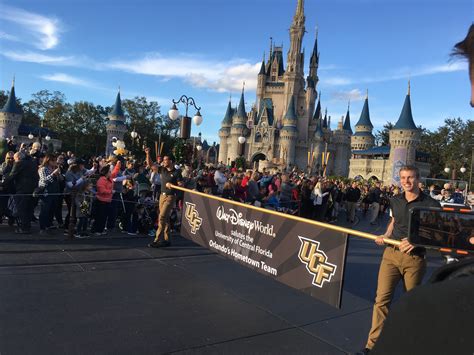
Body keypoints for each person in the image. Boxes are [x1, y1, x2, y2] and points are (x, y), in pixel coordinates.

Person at [360, 166, 440, 354]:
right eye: (403, 178)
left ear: (418, 179)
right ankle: (372, 346)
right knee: (381, 301)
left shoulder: (431, 205)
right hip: (391, 254)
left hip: (415, 259)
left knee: (411, 302)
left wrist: (416, 241)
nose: (406, 181)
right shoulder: (395, 200)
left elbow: (437, 234)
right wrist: (385, 235)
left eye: (410, 177)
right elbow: (394, 221)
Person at [145, 148, 182, 248]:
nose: (163, 161)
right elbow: (151, 165)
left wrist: (173, 185)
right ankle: (167, 239)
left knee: (161, 217)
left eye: (166, 160)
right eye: (164, 159)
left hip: (170, 197)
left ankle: (157, 240)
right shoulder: (163, 169)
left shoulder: (177, 172)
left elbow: (181, 186)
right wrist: (148, 154)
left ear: (171, 161)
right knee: (165, 218)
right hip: (162, 196)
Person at [3, 151, 39, 234]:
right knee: (29, 209)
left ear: (18, 158)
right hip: (32, 189)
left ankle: (24, 228)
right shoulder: (32, 163)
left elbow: (12, 175)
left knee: (21, 209)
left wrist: (3, 183)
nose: (13, 160)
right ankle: (27, 226)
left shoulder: (19, 163)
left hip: (22, 189)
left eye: (14, 159)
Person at [38, 154, 62, 234]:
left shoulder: (54, 168)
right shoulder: (43, 169)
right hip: (46, 192)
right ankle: (42, 227)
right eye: (53, 160)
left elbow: (60, 180)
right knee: (45, 210)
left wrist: (59, 174)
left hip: (55, 191)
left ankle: (48, 224)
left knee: (52, 209)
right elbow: (44, 180)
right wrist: (53, 174)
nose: (55, 162)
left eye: (55, 160)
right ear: (48, 161)